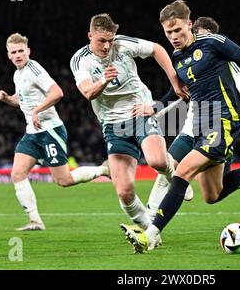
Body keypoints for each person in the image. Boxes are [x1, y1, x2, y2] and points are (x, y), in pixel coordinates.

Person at [121, 0, 240, 253]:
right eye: (168, 32)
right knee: (212, 195)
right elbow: (180, 92)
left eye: (178, 31)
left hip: (223, 119)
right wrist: (155, 107)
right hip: (201, 125)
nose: (173, 37)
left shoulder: (214, 43)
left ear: (190, 25)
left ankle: (150, 235)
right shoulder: (178, 57)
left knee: (181, 172)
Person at [139, 16, 240, 222]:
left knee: (214, 192)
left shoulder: (226, 62)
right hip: (192, 128)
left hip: (219, 125)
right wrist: (155, 107)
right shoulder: (185, 58)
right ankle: (150, 220)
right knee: (167, 167)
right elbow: (176, 91)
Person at [70, 13, 187, 234]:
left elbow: (157, 49)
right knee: (124, 191)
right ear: (90, 36)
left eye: (110, 40)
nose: (107, 46)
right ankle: (149, 231)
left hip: (140, 112)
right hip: (113, 125)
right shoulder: (80, 60)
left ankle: (177, 179)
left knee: (158, 161)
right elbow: (87, 92)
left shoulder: (123, 44)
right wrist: (103, 79)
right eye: (101, 41)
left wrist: (174, 80)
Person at [0, 33, 109, 231]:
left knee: (63, 180)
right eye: (13, 52)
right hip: (32, 133)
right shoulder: (18, 74)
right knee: (17, 173)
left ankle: (103, 170)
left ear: (28, 51)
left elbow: (57, 92)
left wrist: (37, 111)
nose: (18, 55)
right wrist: (7, 98)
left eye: (21, 51)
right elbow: (21, 100)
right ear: (8, 56)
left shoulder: (34, 69)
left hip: (50, 130)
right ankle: (35, 220)